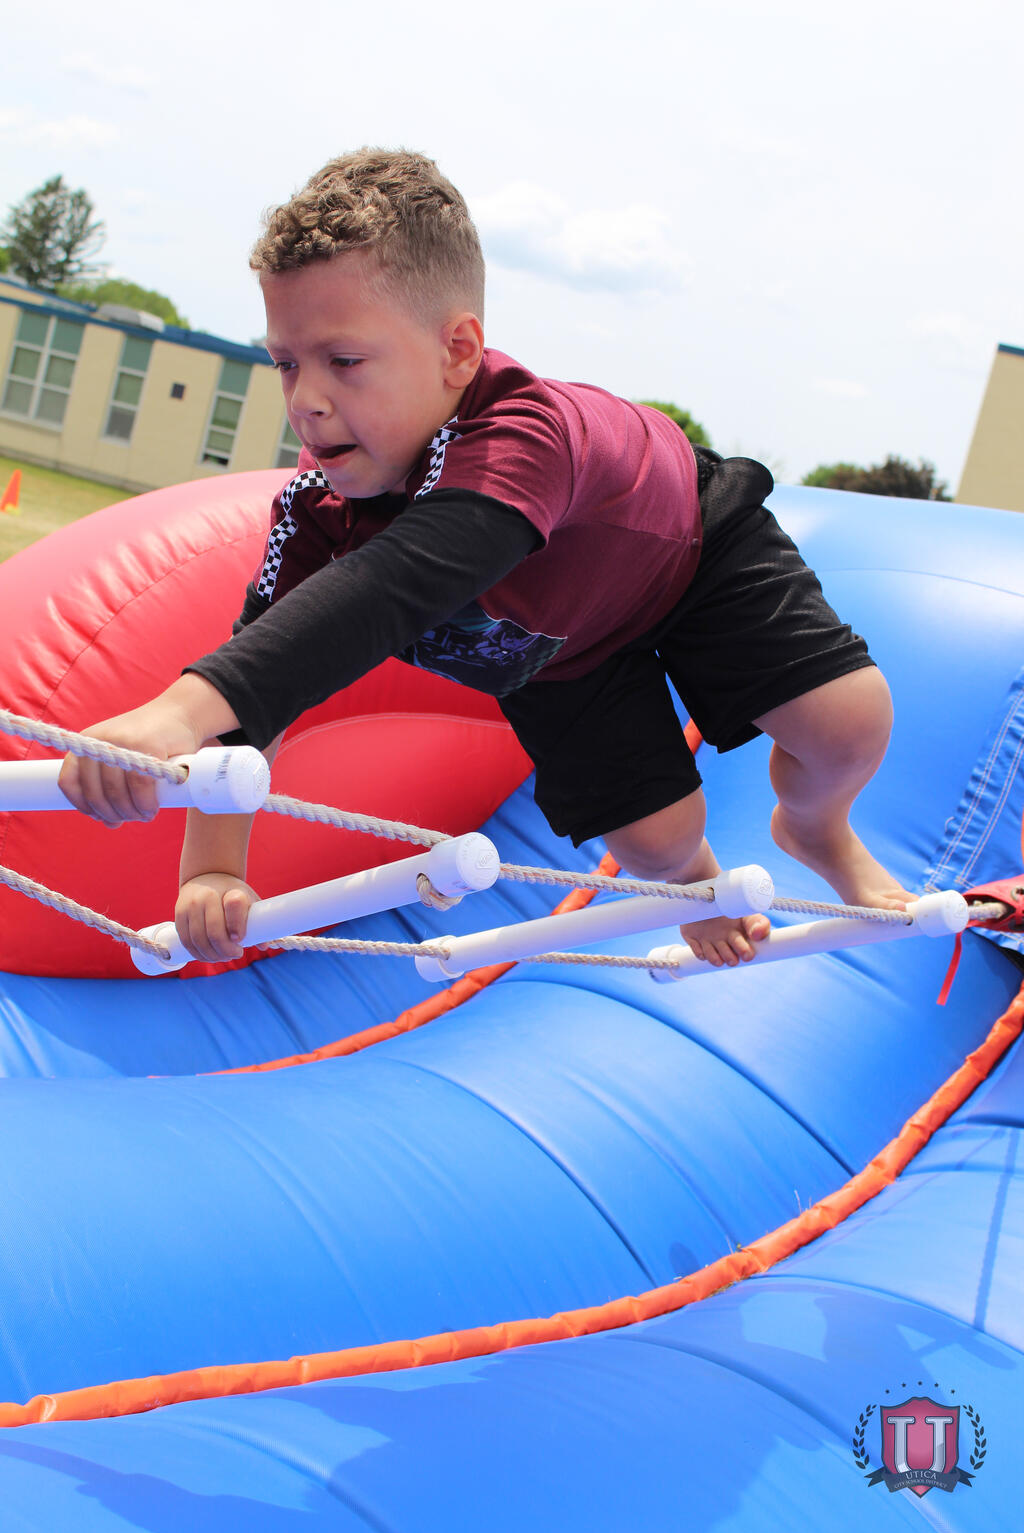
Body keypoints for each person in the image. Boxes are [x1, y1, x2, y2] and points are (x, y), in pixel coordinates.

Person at [58, 148, 912, 967]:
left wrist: (175, 711)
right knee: (656, 843)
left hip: (687, 552)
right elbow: (260, 693)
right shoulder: (318, 516)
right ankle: (696, 883)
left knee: (847, 722)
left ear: (458, 352)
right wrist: (212, 868)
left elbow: (400, 582)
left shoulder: (519, 437)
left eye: (344, 362)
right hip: (560, 659)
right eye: (285, 363)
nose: (306, 400)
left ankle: (817, 826)